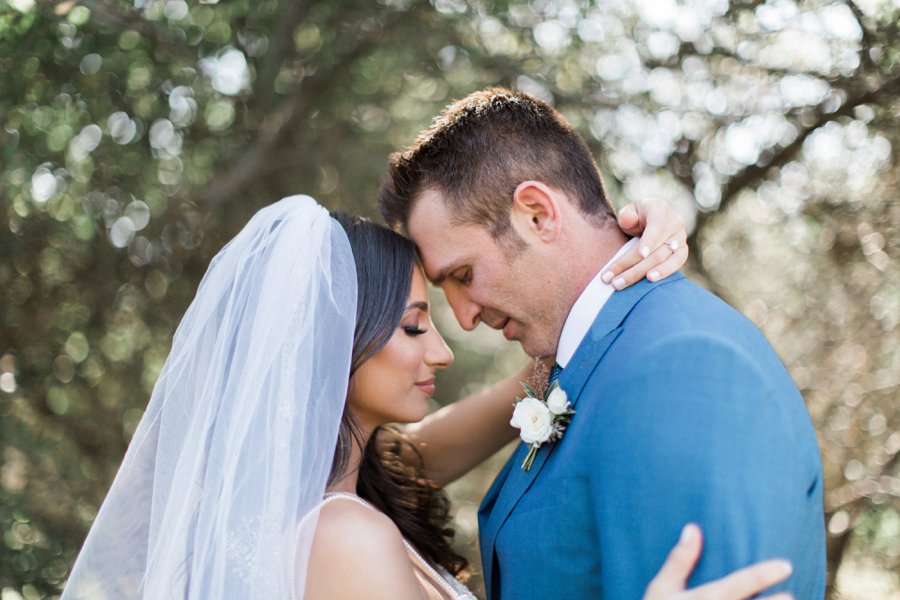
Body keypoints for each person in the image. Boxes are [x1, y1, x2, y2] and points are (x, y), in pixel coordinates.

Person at [61, 196, 794, 600]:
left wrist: (614, 262)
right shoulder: (342, 537)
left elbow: (528, 387)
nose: (444, 348)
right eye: (415, 325)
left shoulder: (323, 495)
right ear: (334, 342)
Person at [379, 88, 826, 600]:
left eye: (463, 274)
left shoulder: (681, 367)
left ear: (537, 214)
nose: (464, 315)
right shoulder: (586, 367)